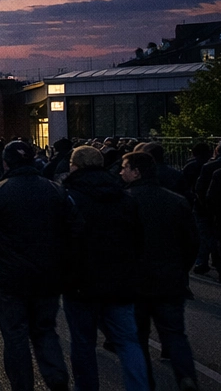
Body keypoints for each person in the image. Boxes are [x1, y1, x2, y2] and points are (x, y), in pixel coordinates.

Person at [0, 141, 74, 391]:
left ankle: (22, 384)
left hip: (9, 275)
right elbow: (74, 230)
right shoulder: (56, 190)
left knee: (15, 335)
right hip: (48, 273)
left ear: (6, 162)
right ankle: (56, 375)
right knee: (45, 329)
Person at [63, 145, 147, 391]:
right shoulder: (124, 196)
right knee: (128, 341)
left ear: (74, 165)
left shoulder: (69, 196)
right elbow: (138, 239)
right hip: (120, 278)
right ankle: (138, 386)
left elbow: (62, 238)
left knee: (82, 343)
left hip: (80, 281)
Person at [120, 150, 198, 391]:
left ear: (136, 171)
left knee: (138, 337)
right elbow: (191, 242)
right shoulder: (175, 200)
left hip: (136, 282)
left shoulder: (125, 201)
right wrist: (180, 268)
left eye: (125, 167)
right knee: (175, 334)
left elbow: (119, 243)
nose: (121, 172)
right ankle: (186, 376)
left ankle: (146, 383)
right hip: (170, 279)